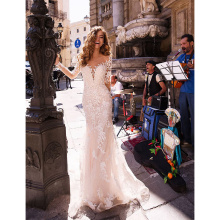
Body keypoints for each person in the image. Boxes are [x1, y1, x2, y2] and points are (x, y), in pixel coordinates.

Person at [54, 26, 149, 218]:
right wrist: (58, 64)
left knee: (104, 141)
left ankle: (107, 187)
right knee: (92, 141)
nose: (100, 40)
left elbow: (107, 84)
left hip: (104, 101)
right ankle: (92, 187)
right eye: (97, 37)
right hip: (89, 102)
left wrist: (112, 86)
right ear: (92, 38)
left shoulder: (107, 59)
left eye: (102, 38)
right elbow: (72, 75)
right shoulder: (83, 58)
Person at [176, 34, 194, 147]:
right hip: (183, 90)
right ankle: (187, 139)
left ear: (191, 43)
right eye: (181, 44)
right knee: (184, 116)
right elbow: (174, 68)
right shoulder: (180, 58)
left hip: (194, 91)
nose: (182, 46)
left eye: (184, 44)